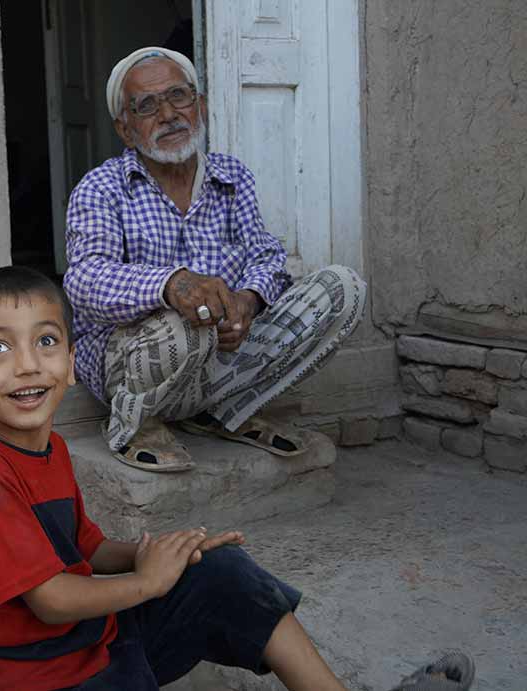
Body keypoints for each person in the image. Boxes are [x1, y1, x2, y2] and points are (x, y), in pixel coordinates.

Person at [0, 266, 473, 691]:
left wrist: (158, 552)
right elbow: (49, 598)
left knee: (221, 573)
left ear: (70, 363)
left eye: (45, 342)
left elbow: (85, 548)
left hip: (89, 645)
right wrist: (148, 582)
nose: (26, 365)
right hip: (36, 675)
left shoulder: (53, 448)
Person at [64, 46, 368, 471]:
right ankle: (137, 422)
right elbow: (84, 280)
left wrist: (249, 299)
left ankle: (225, 409)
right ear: (126, 129)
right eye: (147, 106)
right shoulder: (102, 187)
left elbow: (265, 253)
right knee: (187, 322)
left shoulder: (232, 176)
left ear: (200, 105)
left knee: (343, 288)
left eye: (179, 96)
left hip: (218, 358)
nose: (168, 114)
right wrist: (172, 285)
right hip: (139, 363)